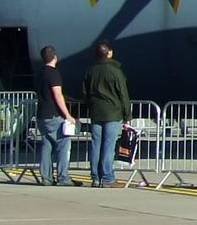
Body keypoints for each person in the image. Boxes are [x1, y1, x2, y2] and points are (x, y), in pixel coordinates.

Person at [81, 41, 131, 187]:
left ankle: (95, 177)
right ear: (109, 53)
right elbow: (123, 94)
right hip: (113, 113)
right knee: (109, 146)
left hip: (96, 113)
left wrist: (91, 105)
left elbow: (84, 93)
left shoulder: (90, 71)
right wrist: (127, 115)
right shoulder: (116, 71)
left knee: (96, 145)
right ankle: (108, 177)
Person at [34, 45, 75, 186]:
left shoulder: (40, 73)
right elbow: (57, 95)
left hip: (41, 115)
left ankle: (46, 177)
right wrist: (67, 115)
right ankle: (63, 177)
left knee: (47, 144)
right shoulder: (53, 73)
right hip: (53, 115)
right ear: (55, 57)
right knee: (63, 144)